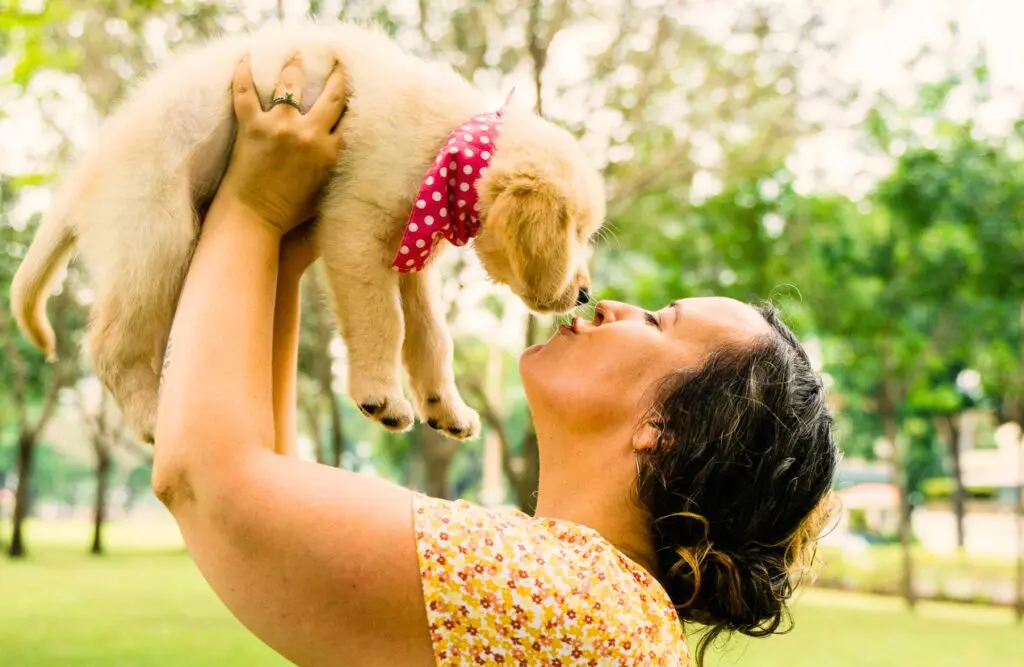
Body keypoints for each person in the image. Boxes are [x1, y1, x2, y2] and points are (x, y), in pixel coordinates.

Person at [152, 54, 839, 667]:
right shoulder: (585, 610)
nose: (611, 304)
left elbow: (210, 481)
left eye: (659, 321)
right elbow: (268, 493)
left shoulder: (563, 603)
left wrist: (256, 203)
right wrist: (287, 249)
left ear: (670, 429)